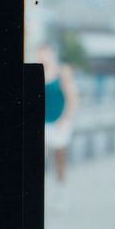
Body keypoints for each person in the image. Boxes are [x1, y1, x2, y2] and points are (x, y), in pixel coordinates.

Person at [38, 40, 78, 197]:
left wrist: (65, 120)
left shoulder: (62, 73)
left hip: (59, 122)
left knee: (59, 158)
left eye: (45, 52)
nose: (42, 56)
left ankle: (61, 190)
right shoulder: (37, 73)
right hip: (43, 123)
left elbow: (72, 99)